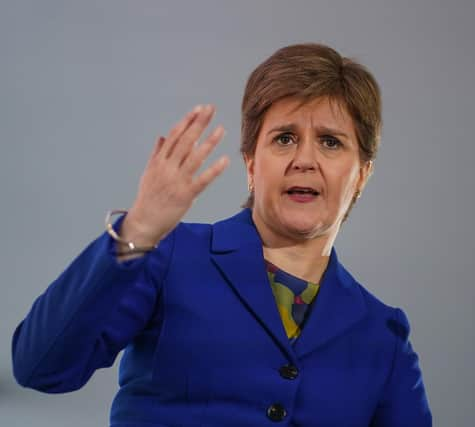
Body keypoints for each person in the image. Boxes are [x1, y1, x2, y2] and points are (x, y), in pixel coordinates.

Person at [12, 43, 432, 426]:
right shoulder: (167, 254)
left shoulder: (384, 334)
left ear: (362, 174)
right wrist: (136, 229)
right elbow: (40, 366)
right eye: (284, 138)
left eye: (330, 142)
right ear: (252, 164)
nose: (305, 159)